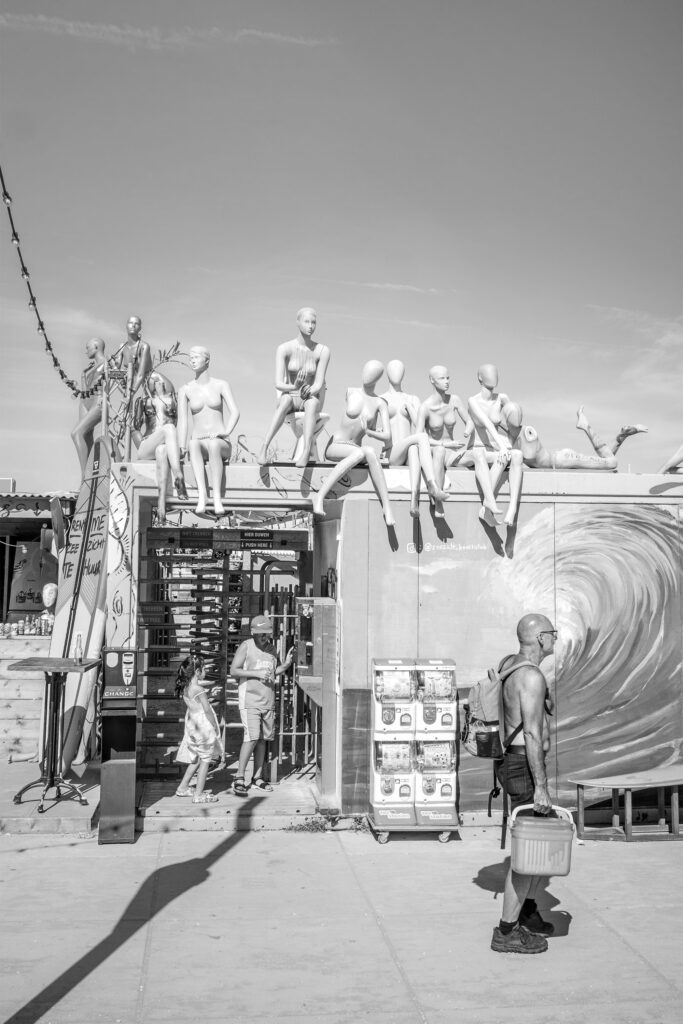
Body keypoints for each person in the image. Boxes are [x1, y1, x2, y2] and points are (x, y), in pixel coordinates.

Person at [491, 613, 557, 955]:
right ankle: (506, 931)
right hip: (523, 767)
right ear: (541, 638)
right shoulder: (531, 676)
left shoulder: (511, 665)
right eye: (553, 633)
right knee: (528, 851)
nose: (556, 639)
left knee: (541, 843)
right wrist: (541, 786)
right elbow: (531, 733)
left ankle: (528, 911)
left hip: (512, 763)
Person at [311, 360, 395, 525]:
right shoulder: (350, 391)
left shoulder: (380, 403)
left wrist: (369, 431)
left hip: (355, 450)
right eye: (366, 371)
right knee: (362, 452)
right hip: (336, 445)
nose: (368, 376)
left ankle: (387, 507)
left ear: (378, 378)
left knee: (369, 452)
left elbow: (387, 436)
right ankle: (319, 496)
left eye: (373, 374)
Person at [229, 615, 294, 797]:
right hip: (249, 699)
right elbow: (233, 670)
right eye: (261, 634)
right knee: (251, 737)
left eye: (266, 633)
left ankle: (256, 778)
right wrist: (256, 673)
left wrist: (286, 665)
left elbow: (273, 671)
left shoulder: (272, 649)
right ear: (253, 633)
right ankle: (239, 777)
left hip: (268, 700)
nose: (264, 637)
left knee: (262, 740)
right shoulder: (246, 646)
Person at [259, 308, 331, 467]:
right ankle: (264, 447)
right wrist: (294, 386)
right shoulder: (284, 348)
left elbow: (319, 383)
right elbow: (278, 383)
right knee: (285, 400)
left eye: (313, 322)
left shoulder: (322, 351)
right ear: (298, 323)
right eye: (307, 322)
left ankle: (306, 451)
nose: (310, 326)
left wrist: (309, 390)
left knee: (311, 403)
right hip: (291, 396)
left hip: (309, 397)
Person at [177, 346, 240, 516]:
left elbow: (235, 412)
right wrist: (182, 446)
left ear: (207, 360)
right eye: (191, 357)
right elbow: (182, 421)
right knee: (193, 444)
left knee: (214, 445)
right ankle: (202, 495)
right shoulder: (185, 389)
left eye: (197, 357)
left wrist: (226, 432)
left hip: (220, 442)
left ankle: (217, 497)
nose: (193, 360)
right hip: (199, 441)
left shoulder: (221, 385)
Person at [381, 360, 448, 518]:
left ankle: (414, 502)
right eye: (393, 370)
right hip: (392, 452)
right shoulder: (381, 399)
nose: (396, 373)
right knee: (420, 438)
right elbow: (377, 428)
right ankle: (432, 484)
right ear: (387, 374)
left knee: (413, 448)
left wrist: (410, 409)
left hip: (409, 450)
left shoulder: (412, 398)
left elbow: (420, 426)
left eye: (400, 370)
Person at [462, 364, 523, 527]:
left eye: (496, 372)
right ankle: (488, 503)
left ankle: (511, 509)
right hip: (477, 449)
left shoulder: (502, 398)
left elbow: (513, 427)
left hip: (494, 450)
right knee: (491, 454)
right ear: (480, 378)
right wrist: (502, 447)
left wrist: (509, 437)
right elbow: (486, 423)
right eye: (489, 373)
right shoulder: (473, 401)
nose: (494, 375)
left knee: (517, 455)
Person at [507, 405, 647, 471]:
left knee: (611, 462)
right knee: (607, 461)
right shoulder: (512, 438)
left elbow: (524, 457)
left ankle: (586, 426)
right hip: (561, 459)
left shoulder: (527, 433)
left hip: (563, 459)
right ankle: (621, 436)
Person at [132, 370, 187, 521]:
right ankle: (178, 474)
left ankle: (161, 502)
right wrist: (139, 444)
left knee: (162, 450)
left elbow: (183, 421)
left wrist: (182, 447)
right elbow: (134, 428)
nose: (157, 382)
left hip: (165, 446)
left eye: (158, 379)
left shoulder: (174, 400)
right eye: (153, 380)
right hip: (147, 445)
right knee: (169, 428)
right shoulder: (143, 401)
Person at [416, 365, 468, 511]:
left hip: (452, 452)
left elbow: (469, 421)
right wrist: (445, 444)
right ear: (432, 380)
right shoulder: (425, 407)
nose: (446, 381)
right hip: (435, 450)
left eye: (448, 378)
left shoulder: (454, 400)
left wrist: (468, 430)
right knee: (439, 450)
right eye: (442, 378)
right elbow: (418, 437)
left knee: (478, 455)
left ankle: (488, 504)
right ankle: (437, 499)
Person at [175, 653, 223, 805]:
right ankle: (199, 794)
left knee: (195, 758)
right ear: (197, 671)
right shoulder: (199, 689)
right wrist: (214, 725)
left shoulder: (186, 687)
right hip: (203, 728)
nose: (205, 671)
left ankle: (183, 787)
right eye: (204, 668)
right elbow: (207, 710)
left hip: (192, 726)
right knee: (205, 760)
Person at [71, 337, 107, 476]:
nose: (86, 351)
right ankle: (91, 476)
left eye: (88, 347)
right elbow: (86, 390)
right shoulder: (90, 368)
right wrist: (83, 376)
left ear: (96, 347)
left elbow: (109, 383)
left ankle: (85, 477)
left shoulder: (106, 363)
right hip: (85, 401)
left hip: (98, 401)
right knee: (86, 436)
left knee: (76, 433)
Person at [112, 314, 153, 397]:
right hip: (133, 384)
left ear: (140, 328)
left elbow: (141, 375)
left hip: (152, 382)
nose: (133, 325)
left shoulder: (144, 346)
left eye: (136, 324)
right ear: (126, 326)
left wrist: (131, 393)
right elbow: (115, 372)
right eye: (130, 323)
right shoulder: (122, 347)